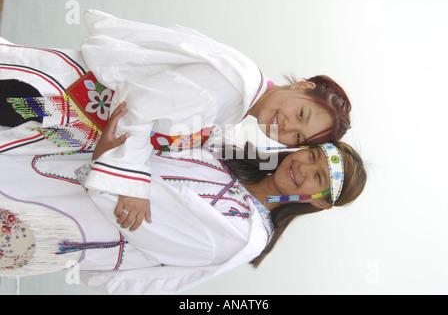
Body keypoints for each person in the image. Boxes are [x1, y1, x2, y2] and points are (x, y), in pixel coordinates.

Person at [0, 9, 352, 228]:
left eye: (297, 138)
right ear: (303, 86)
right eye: (301, 113)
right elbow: (139, 106)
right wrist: (132, 186)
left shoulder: (240, 99)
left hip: (67, 110)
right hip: (56, 99)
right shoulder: (229, 88)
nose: (286, 127)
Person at [0, 105, 366, 294]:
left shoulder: (243, 234)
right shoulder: (229, 155)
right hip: (53, 165)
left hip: (54, 227)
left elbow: (145, 220)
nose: (302, 167)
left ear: (319, 202)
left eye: (318, 177)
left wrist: (112, 164)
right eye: (312, 155)